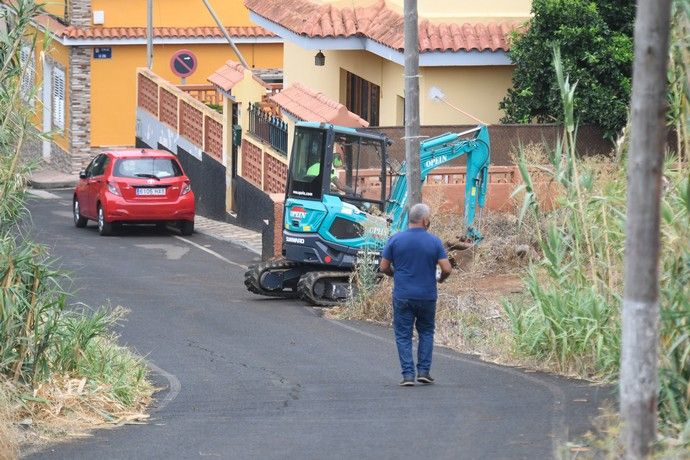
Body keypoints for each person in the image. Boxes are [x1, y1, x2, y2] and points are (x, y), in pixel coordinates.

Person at [379, 203, 452, 386]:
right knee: (426, 332)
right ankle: (424, 372)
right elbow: (447, 268)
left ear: (410, 219)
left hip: (403, 295)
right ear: (425, 220)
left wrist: (395, 274)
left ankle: (408, 375)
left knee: (403, 335)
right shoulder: (434, 241)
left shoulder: (395, 240)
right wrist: (441, 279)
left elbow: (383, 267)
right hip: (427, 295)